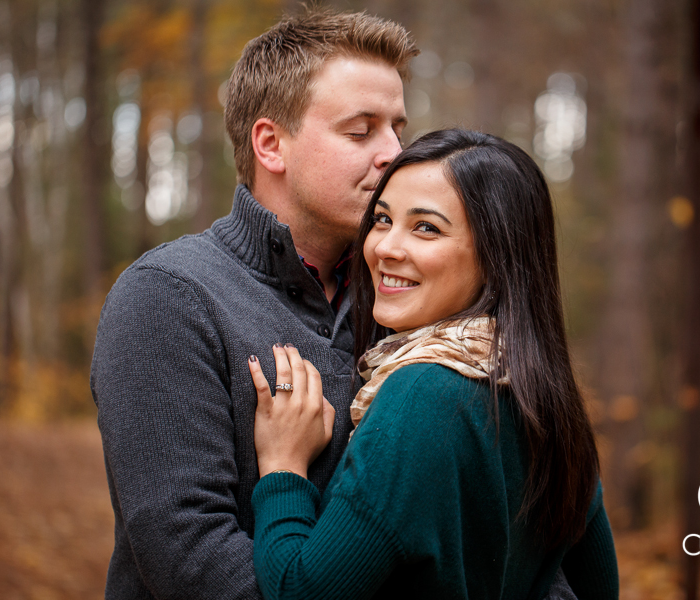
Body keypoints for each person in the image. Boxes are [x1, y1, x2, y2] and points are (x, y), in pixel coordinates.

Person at [91, 9, 416, 599]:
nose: (394, 153)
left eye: (398, 128)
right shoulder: (170, 296)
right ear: (270, 144)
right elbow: (190, 559)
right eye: (361, 131)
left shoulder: (404, 302)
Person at [246, 129, 620, 599]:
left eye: (426, 228)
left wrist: (283, 468)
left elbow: (301, 591)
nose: (384, 247)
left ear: (496, 258)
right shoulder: (545, 398)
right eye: (382, 219)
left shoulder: (422, 396)